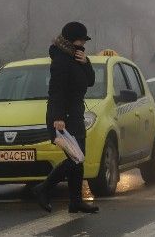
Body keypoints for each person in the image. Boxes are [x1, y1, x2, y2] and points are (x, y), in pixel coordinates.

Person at [33, 22, 100, 214]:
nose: (83, 44)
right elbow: (56, 90)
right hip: (64, 118)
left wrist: (86, 63)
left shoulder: (76, 57)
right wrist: (58, 117)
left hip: (76, 115)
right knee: (75, 158)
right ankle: (43, 188)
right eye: (81, 40)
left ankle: (75, 201)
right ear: (72, 40)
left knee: (78, 160)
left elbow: (91, 81)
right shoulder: (61, 60)